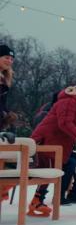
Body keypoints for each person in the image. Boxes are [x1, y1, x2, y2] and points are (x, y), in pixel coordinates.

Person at [30, 77, 76, 216]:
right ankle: (39, 200)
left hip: (59, 145)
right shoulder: (69, 101)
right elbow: (64, 123)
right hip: (46, 143)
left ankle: (70, 194)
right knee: (58, 167)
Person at [0, 44, 39, 203]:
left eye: (11, 58)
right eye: (6, 57)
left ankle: (2, 192)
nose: (9, 61)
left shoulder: (4, 79)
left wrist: (7, 114)